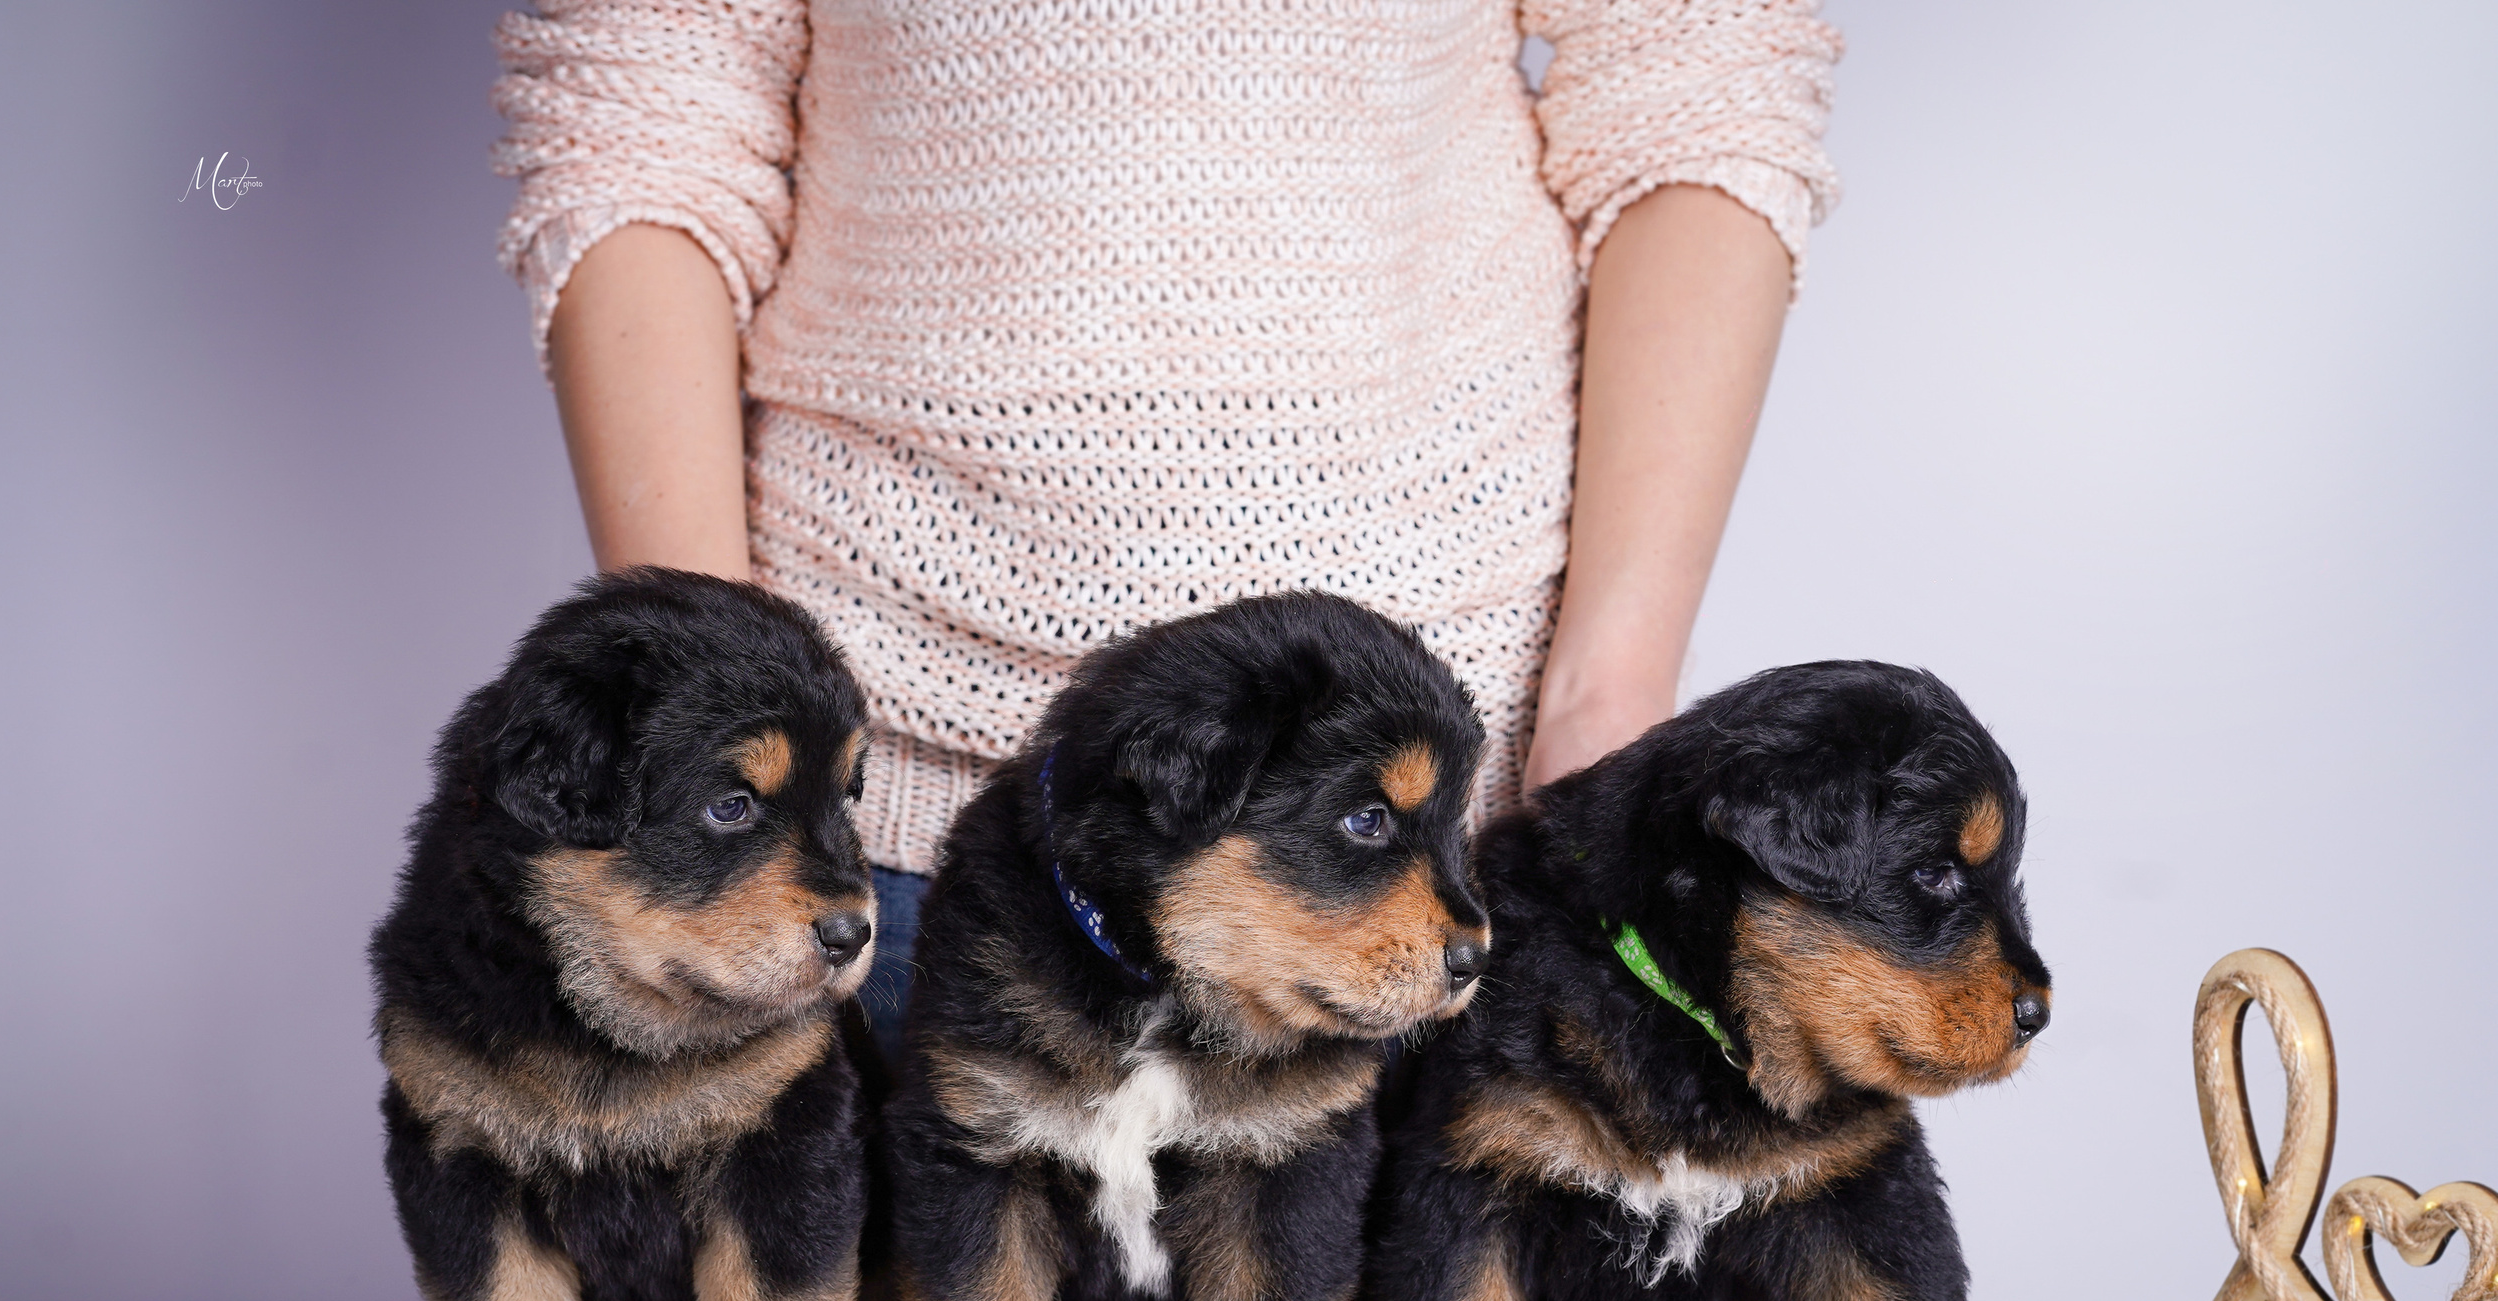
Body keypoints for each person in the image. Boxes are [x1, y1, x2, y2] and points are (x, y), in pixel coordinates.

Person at [490, 0, 1839, 1056]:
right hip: (886, 853)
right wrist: (718, 728)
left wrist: (1609, 709)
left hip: (1439, 850)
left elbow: (1698, 87)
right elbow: (645, 115)